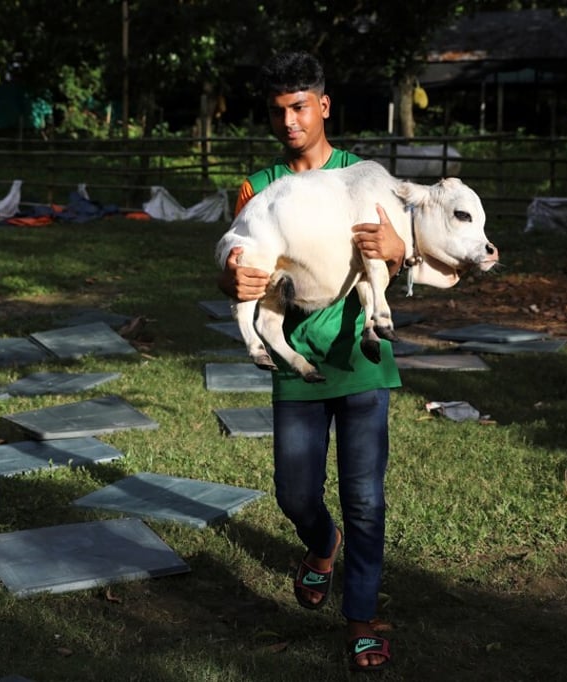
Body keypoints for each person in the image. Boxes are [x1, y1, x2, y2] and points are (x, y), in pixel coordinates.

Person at [217, 51, 406, 672]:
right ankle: (321, 546)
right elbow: (237, 262)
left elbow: (402, 259)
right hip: (294, 362)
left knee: (366, 499)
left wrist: (397, 249)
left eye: (300, 107)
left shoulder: (366, 176)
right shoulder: (259, 186)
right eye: (279, 111)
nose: (290, 121)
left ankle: (361, 618)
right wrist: (232, 280)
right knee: (295, 494)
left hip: (361, 361)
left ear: (323, 105)